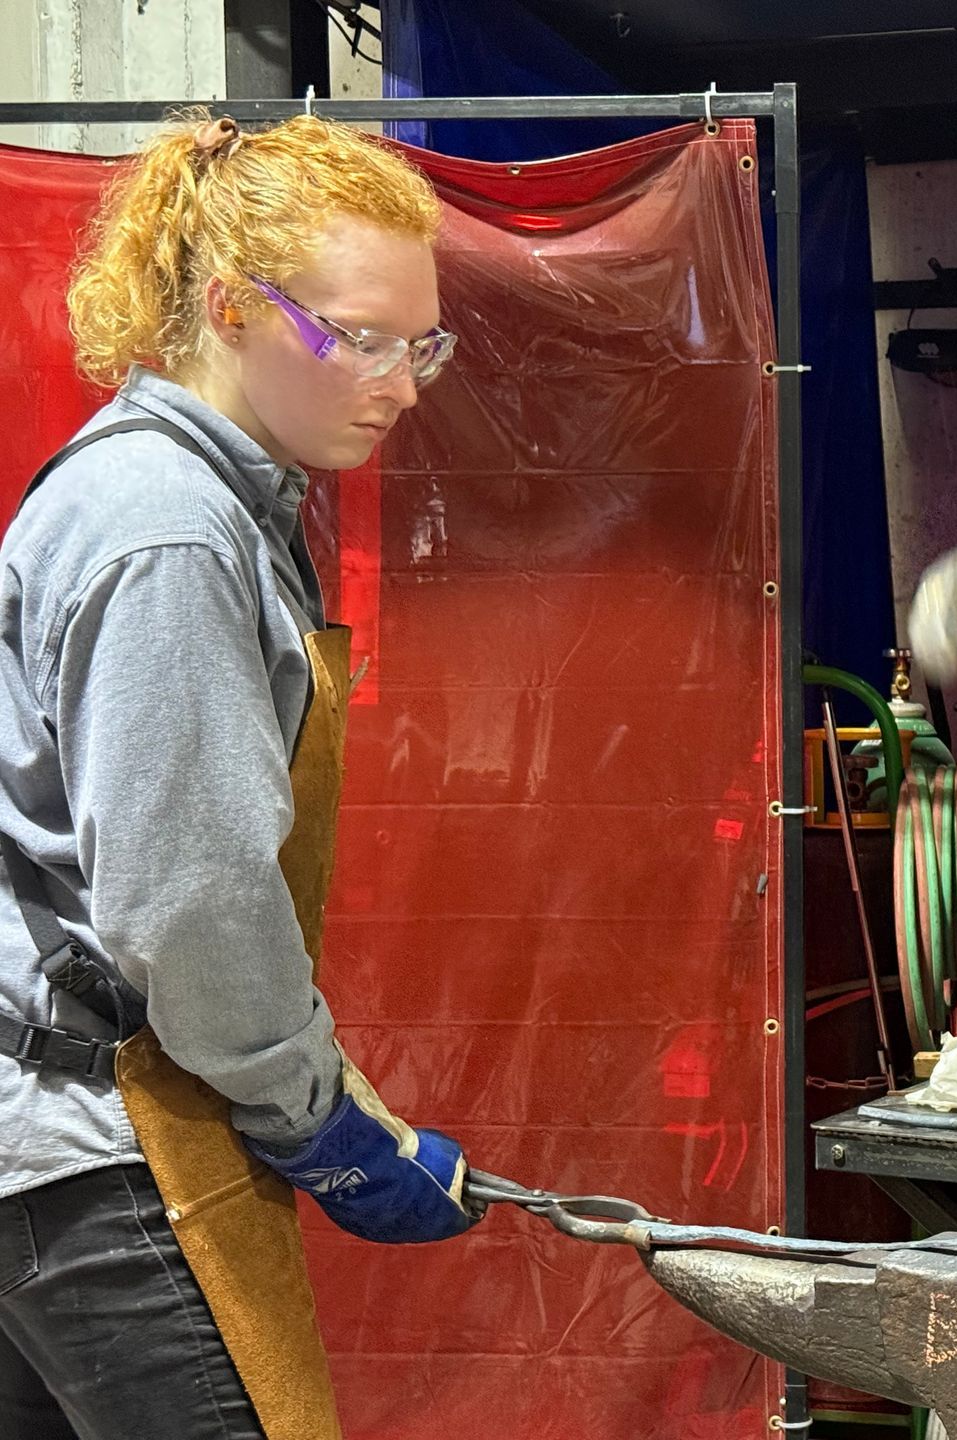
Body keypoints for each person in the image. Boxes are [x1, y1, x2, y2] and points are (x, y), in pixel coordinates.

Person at [0, 111, 479, 1440]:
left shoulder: (181, 498)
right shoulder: (169, 528)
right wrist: (313, 1116)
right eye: (363, 339)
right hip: (92, 1140)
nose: (402, 381)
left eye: (421, 342)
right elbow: (189, 900)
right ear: (231, 309)